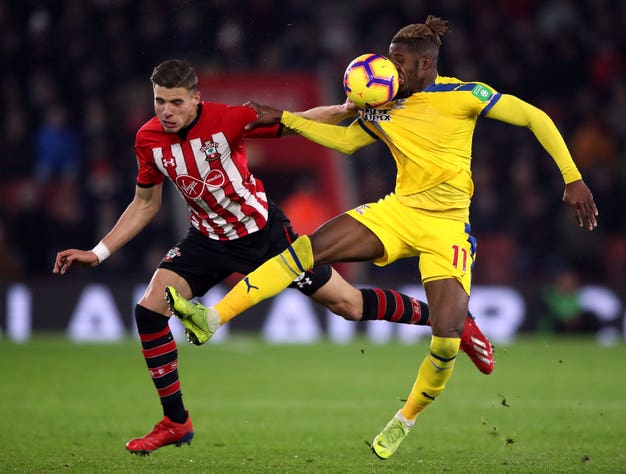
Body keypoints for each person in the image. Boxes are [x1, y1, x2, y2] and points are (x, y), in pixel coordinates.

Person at [166, 16, 599, 460]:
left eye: (400, 62)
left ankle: (404, 419)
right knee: (305, 251)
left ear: (426, 64)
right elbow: (348, 143)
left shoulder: (463, 95)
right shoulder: (382, 103)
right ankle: (213, 318)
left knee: (446, 339)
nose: (390, 70)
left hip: (447, 227)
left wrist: (573, 179)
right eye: (389, 60)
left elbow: (533, 116)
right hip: (397, 211)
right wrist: (289, 121)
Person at [52, 59, 494, 455]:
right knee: (149, 312)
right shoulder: (148, 139)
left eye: (175, 102)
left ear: (196, 99)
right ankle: (175, 422)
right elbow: (145, 204)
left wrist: (343, 111)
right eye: (159, 101)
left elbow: (296, 121)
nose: (165, 111)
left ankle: (452, 320)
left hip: (264, 234)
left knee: (350, 306)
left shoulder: (229, 119)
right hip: (206, 240)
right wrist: (99, 251)